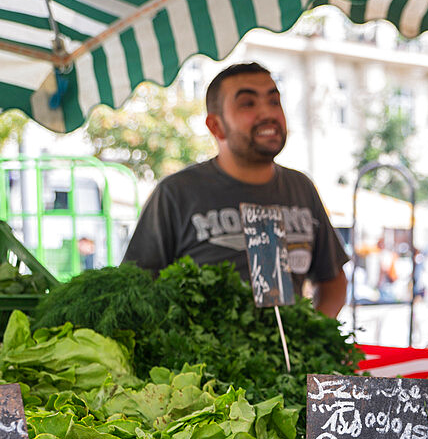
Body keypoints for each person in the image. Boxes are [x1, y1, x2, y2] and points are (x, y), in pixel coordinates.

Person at [122, 62, 348, 317]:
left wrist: (314, 335)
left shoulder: (301, 188)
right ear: (215, 126)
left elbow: (333, 281)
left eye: (274, 101)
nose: (268, 113)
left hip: (287, 354)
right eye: (248, 104)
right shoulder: (176, 193)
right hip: (202, 356)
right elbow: (136, 289)